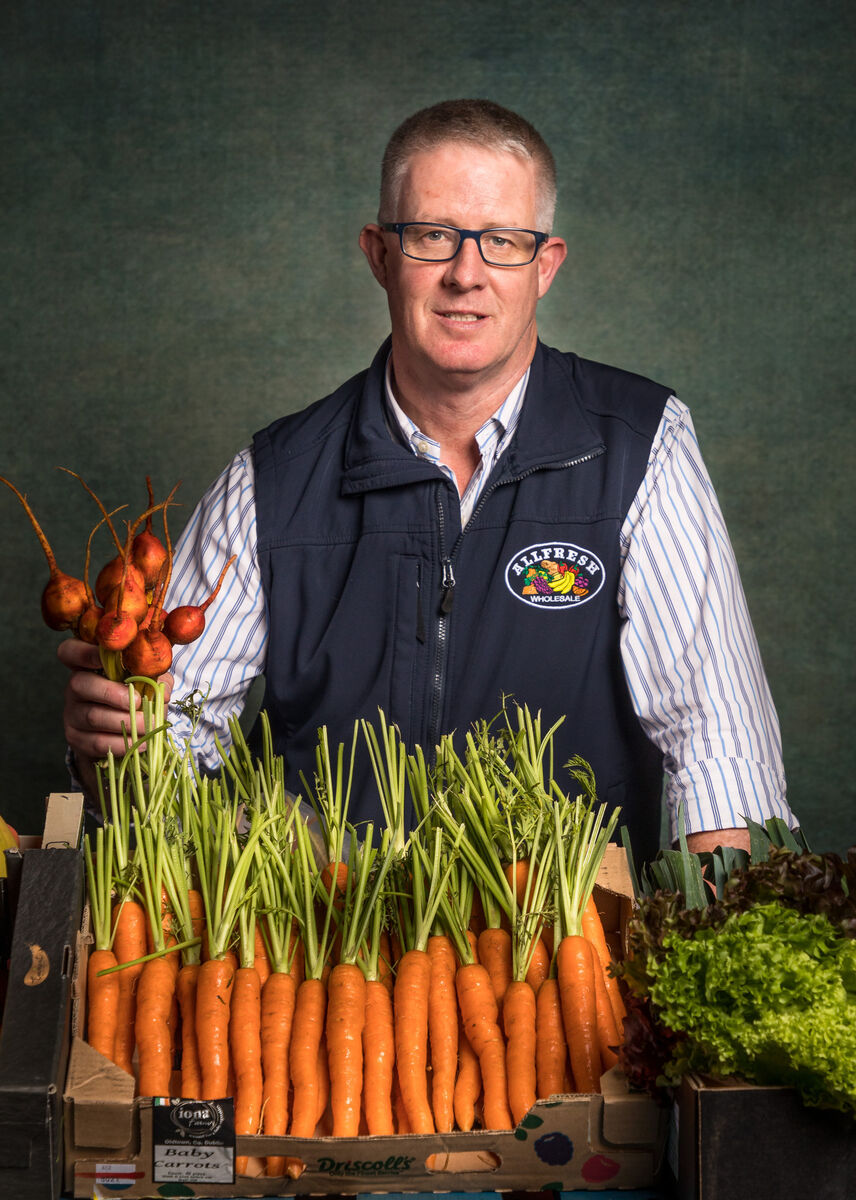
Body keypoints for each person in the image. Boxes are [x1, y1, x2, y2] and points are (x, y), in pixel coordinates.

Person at [58, 99, 795, 864]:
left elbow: (716, 748)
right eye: (433, 237)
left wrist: (719, 930)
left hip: (571, 945)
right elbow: (163, 750)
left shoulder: (640, 445)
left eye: (504, 242)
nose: (466, 275)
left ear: (546, 265)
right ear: (380, 255)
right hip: (325, 950)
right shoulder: (271, 481)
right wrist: (104, 747)